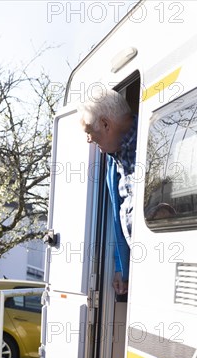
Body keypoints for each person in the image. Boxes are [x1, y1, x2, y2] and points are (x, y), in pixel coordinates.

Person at [78, 88, 137, 296]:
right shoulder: (114, 160)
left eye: (89, 132)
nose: (89, 140)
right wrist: (123, 267)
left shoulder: (152, 141)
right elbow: (120, 214)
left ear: (105, 124)